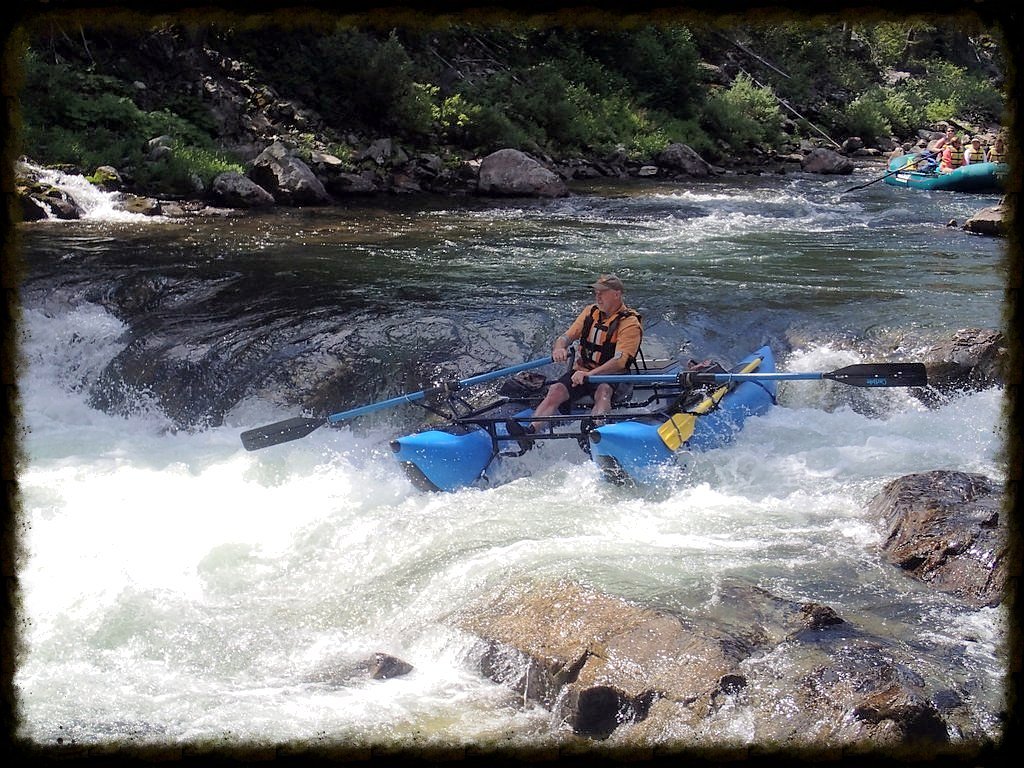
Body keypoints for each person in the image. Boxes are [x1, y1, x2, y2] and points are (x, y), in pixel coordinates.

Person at [507, 274, 642, 448]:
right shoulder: (590, 312)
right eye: (596, 292)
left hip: (611, 376)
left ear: (617, 294)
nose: (598, 296)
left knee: (603, 391)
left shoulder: (630, 322)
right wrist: (559, 347)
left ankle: (595, 429)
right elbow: (566, 336)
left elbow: (620, 361)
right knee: (555, 389)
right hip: (583, 371)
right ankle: (530, 432)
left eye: (602, 292)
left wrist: (590, 374)